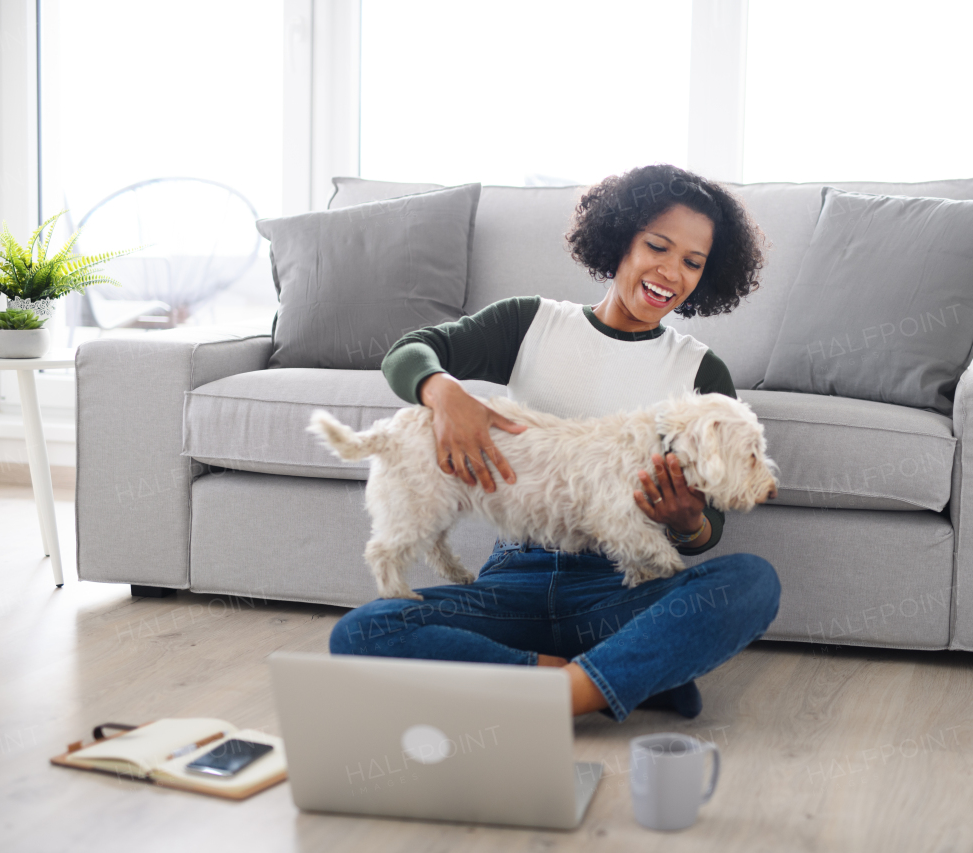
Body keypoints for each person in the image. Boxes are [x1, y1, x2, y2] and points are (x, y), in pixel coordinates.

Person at [330, 164, 780, 721]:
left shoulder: (700, 372)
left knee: (753, 582)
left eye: (693, 262)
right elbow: (409, 351)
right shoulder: (532, 323)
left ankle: (564, 689)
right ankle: (610, 676)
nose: (671, 272)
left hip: (616, 587)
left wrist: (687, 522)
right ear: (619, 241)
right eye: (657, 247)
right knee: (362, 632)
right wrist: (442, 394)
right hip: (513, 581)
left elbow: (709, 531)